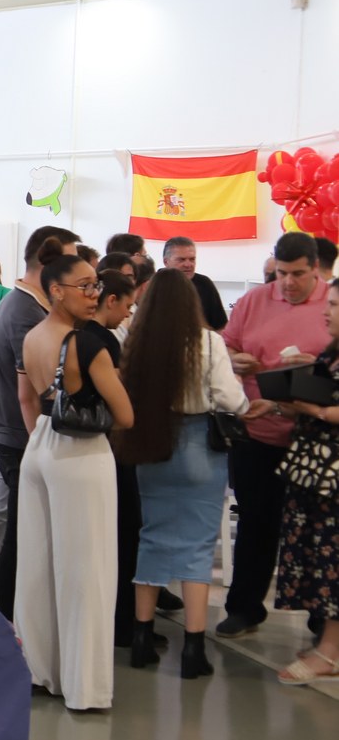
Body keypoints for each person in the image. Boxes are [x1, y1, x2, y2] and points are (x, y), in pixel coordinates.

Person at [118, 270, 265, 679]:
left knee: (151, 538)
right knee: (198, 547)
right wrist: (248, 402)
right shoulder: (208, 342)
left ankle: (142, 639)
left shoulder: (136, 342)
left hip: (151, 445)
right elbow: (230, 399)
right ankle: (193, 649)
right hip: (200, 446)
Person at [15, 242, 134, 711]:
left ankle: (38, 669)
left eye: (95, 285)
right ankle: (85, 687)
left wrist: (43, 441)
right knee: (88, 569)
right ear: (57, 291)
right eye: (85, 286)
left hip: (41, 444)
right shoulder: (89, 343)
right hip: (82, 452)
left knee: (38, 566)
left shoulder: (32, 336)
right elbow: (125, 415)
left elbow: (26, 399)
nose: (94, 293)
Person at [216, 230, 331, 639]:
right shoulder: (254, 301)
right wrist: (235, 360)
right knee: (255, 522)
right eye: (281, 273)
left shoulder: (331, 302)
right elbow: (223, 346)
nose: (288, 283)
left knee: (317, 531)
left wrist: (317, 367)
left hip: (315, 437)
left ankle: (322, 617)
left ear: (315, 269)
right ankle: (245, 608)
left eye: (297, 274)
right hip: (258, 430)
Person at [0, 224, 80, 619]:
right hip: (23, 436)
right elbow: (34, 392)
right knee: (22, 536)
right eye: (70, 264)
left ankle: (16, 619)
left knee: (23, 532)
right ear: (48, 261)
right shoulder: (26, 310)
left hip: (21, 434)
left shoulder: (24, 304)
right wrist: (43, 444)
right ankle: (12, 620)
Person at [271, 276, 339, 684]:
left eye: (334, 305)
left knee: (333, 559)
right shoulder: (331, 352)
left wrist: (316, 410)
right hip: (316, 468)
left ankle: (329, 652)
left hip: (332, 474)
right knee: (319, 554)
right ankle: (329, 645)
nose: (326, 312)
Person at [82, 268, 145, 646]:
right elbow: (122, 410)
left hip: (91, 448)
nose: (128, 314)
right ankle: (122, 622)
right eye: (127, 306)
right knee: (123, 532)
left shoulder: (79, 336)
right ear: (111, 300)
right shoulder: (101, 342)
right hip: (108, 447)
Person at [163, 236, 228, 331]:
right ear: (166, 262)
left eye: (192, 259)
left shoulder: (204, 284)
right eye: (181, 260)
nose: (188, 264)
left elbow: (220, 326)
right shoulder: (154, 285)